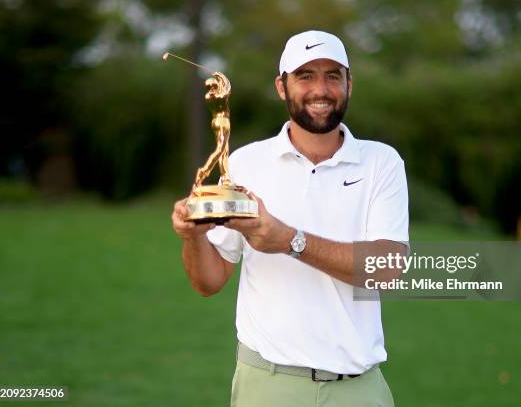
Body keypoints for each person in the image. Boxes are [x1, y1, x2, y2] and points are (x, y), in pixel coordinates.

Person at [171, 30, 409, 407]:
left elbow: (387, 269)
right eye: (305, 76)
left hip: (358, 387)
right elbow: (208, 282)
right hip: (267, 384)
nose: (321, 89)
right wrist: (192, 236)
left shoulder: (382, 162)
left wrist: (288, 240)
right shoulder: (246, 163)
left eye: (333, 75)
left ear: (350, 84)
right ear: (282, 87)